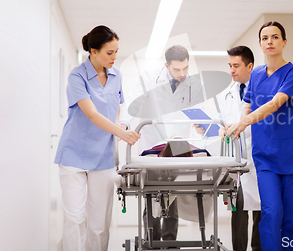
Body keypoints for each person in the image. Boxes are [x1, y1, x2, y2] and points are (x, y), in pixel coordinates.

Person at [226, 22, 293, 251]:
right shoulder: (255, 75)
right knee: (271, 213)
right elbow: (248, 103)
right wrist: (241, 122)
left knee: (290, 221)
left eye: (275, 37)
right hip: (265, 158)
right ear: (260, 44)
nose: (270, 42)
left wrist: (243, 122)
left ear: (284, 42)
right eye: (265, 38)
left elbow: (275, 103)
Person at [54, 25, 141, 251]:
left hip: (103, 156)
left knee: (99, 223)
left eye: (116, 52)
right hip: (74, 155)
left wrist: (121, 124)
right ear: (93, 51)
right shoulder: (77, 76)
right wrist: (121, 133)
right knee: (74, 219)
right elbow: (91, 113)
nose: (114, 57)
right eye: (109, 53)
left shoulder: (116, 74)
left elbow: (117, 106)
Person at [120, 44, 205, 242]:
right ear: (167, 66)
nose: (182, 74)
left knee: (172, 195)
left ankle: (170, 243)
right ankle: (152, 241)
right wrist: (124, 124)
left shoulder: (193, 83)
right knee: (151, 192)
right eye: (177, 69)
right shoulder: (150, 79)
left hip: (179, 144)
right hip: (153, 141)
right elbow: (131, 103)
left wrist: (202, 124)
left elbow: (198, 110)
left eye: (185, 68)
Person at [218, 46, 261, 251]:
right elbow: (228, 121)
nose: (232, 70)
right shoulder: (229, 93)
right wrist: (221, 129)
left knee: (261, 211)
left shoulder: (263, 89)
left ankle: (258, 248)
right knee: (238, 210)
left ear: (249, 66)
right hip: (238, 160)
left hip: (259, 157)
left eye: (236, 66)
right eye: (230, 66)